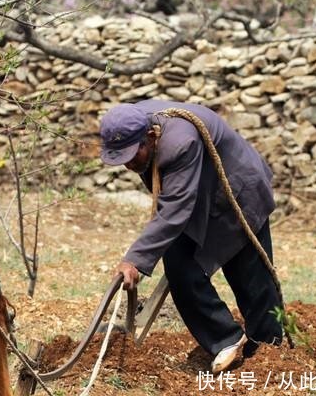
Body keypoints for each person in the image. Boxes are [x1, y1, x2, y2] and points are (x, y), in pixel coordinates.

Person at [98, 100, 283, 373]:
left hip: (238, 193)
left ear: (150, 137)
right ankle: (226, 338)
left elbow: (173, 212)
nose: (128, 165)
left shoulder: (180, 144)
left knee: (251, 279)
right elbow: (174, 203)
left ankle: (270, 353)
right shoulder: (131, 124)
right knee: (179, 265)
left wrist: (134, 259)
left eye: (131, 156)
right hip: (198, 198)